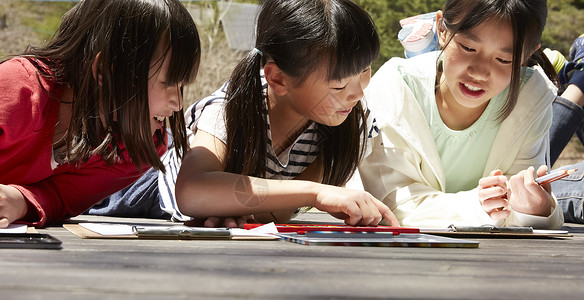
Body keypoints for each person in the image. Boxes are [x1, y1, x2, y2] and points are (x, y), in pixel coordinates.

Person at [171, 0, 399, 228]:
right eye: (339, 85)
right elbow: (191, 191)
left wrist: (231, 203)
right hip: (153, 206)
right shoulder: (230, 108)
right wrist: (316, 193)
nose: (358, 93)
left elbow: (278, 213)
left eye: (365, 70)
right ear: (278, 79)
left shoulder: (348, 119)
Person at [356, 0, 564, 229]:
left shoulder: (530, 98)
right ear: (442, 29)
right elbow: (394, 206)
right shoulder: (396, 89)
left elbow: (520, 205)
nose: (479, 72)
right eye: (468, 48)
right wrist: (477, 206)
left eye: (504, 60)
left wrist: (535, 210)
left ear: (527, 55)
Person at [0, 0, 201, 228]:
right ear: (107, 71)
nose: (178, 103)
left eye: (182, 86)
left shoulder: (135, 148)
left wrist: (21, 201)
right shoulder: (16, 90)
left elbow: (62, 198)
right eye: (168, 83)